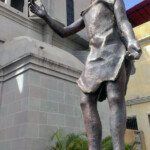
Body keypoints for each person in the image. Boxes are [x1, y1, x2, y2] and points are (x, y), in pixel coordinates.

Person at [29, 0, 142, 150]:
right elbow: (64, 31)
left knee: (115, 97)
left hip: (114, 51)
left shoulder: (113, 1)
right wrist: (45, 16)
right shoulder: (86, 13)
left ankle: (118, 147)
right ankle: (94, 147)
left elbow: (123, 22)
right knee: (86, 101)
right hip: (94, 56)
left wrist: (131, 41)